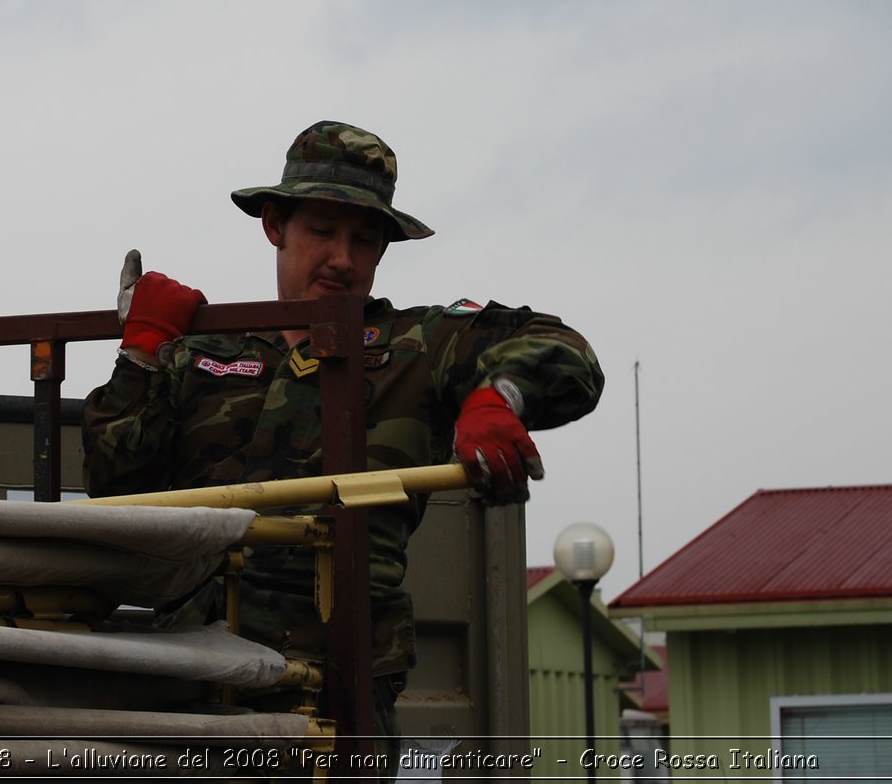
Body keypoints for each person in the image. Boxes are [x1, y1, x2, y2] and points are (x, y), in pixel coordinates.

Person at [81, 120, 604, 742]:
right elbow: (112, 485)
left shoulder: (420, 345)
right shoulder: (198, 352)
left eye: (364, 240)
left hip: (338, 691)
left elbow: (566, 351)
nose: (342, 259)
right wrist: (140, 355)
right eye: (322, 231)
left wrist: (499, 396)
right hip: (186, 680)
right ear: (275, 224)